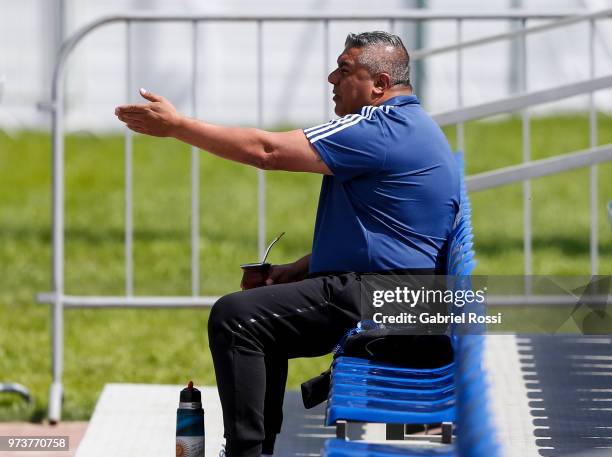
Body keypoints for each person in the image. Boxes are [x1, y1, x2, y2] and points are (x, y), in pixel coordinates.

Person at [115, 31, 459, 457]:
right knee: (260, 318)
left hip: (384, 297)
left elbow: (267, 151)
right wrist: (298, 269)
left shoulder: (379, 126)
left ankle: (247, 453)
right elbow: (395, 232)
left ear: (379, 85)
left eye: (345, 70)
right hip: (404, 295)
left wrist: (178, 127)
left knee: (235, 318)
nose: (331, 77)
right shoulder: (413, 126)